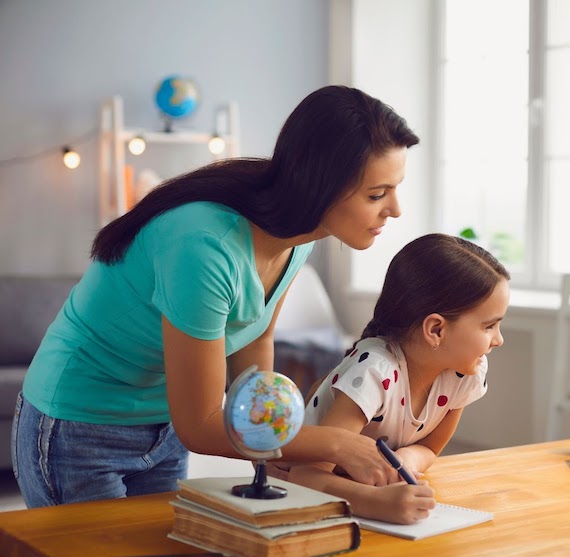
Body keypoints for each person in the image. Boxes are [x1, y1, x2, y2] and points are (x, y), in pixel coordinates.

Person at [12, 85, 420, 508]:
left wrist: (270, 439)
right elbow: (202, 424)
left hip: (163, 426)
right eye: (377, 194)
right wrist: (331, 445)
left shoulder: (299, 239)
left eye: (395, 188)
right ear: (321, 187)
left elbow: (256, 335)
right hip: (80, 424)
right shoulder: (204, 246)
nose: (395, 209)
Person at [270, 233, 510, 524]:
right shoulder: (375, 372)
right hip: (302, 506)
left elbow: (430, 448)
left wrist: (405, 462)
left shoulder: (464, 374)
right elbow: (305, 476)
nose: (498, 340)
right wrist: (374, 502)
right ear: (435, 330)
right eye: (489, 326)